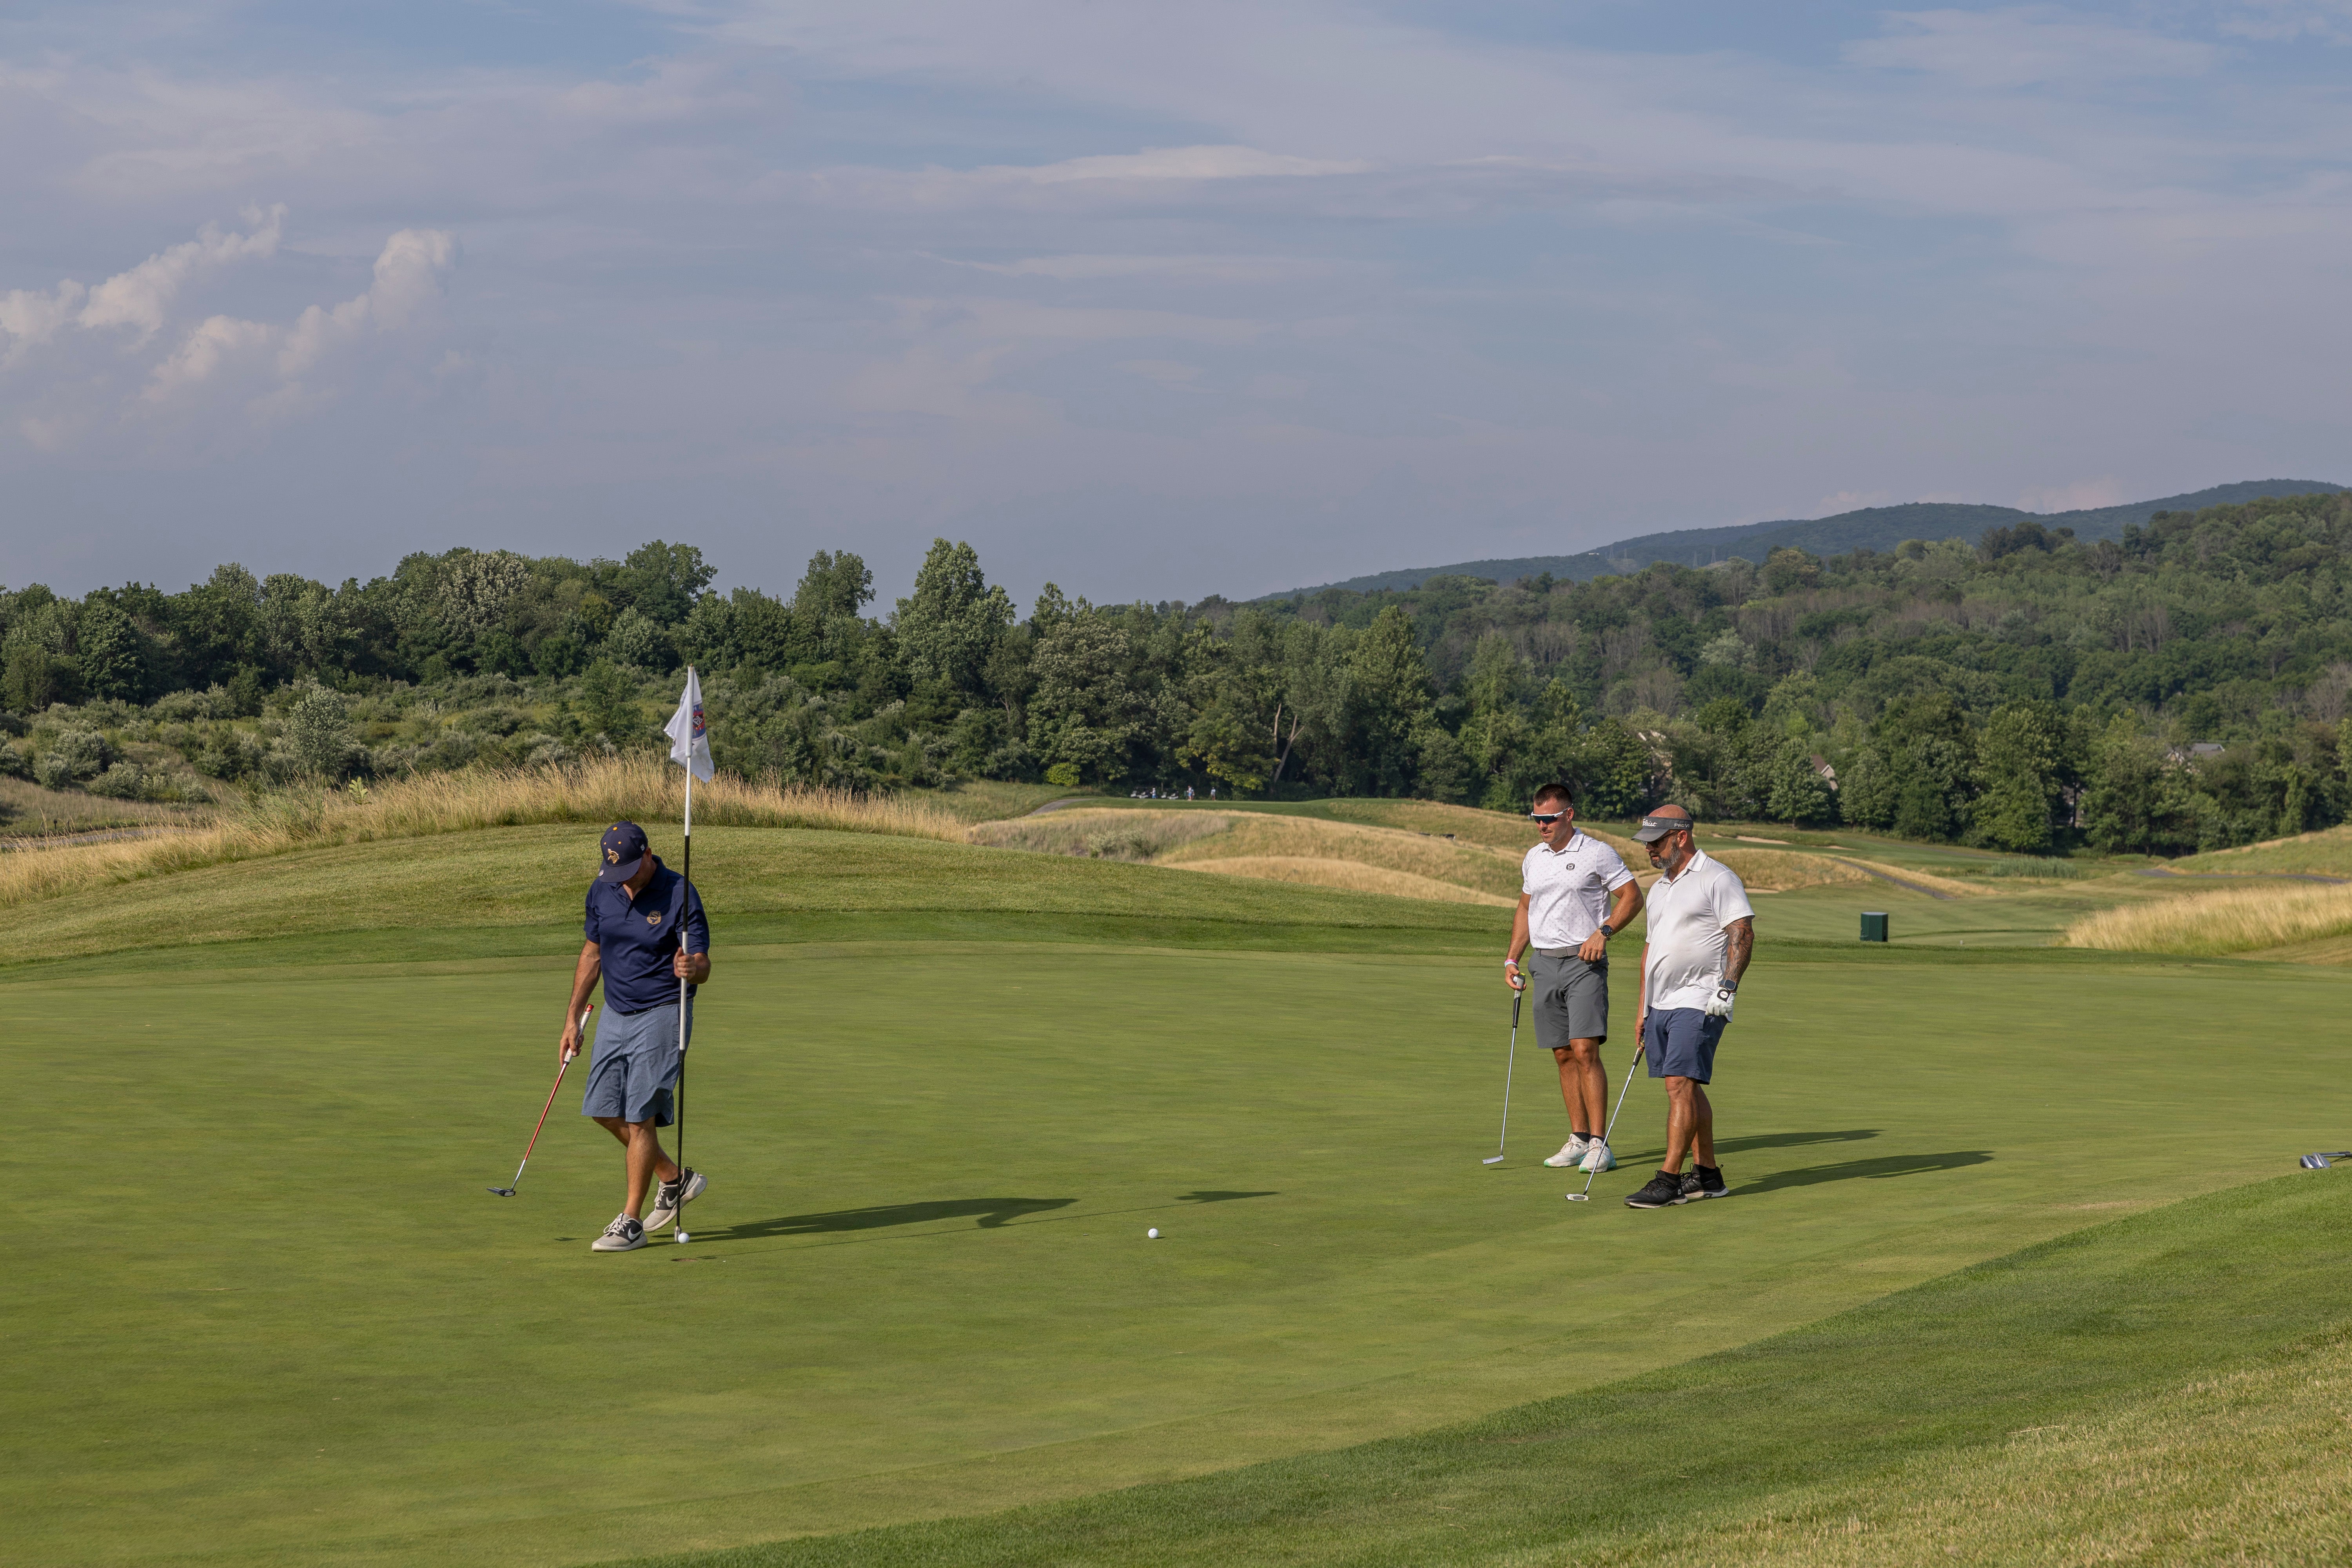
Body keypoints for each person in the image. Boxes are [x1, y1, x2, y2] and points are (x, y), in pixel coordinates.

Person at [560, 821, 712, 1252]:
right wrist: (572, 1018)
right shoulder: (601, 890)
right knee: (603, 1108)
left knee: (638, 1115)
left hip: (665, 1011)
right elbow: (592, 953)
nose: (622, 882)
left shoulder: (679, 891)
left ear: (648, 855)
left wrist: (692, 969)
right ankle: (673, 1177)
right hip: (616, 1012)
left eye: (629, 870)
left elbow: (703, 963)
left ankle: (631, 1222)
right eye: (615, 874)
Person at [1504, 782, 1644, 1174]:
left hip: (1584, 965)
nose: (1542, 825)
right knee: (1563, 1053)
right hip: (1544, 962)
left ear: (1568, 815)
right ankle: (1579, 1139)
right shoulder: (1534, 857)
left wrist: (1604, 932)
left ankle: (1601, 1145)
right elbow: (1525, 907)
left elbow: (1632, 896)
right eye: (1537, 819)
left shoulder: (1597, 853)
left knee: (1585, 1050)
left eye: (1549, 818)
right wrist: (1511, 959)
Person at [1623, 806, 1754, 1208]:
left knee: (1680, 1084)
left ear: (1680, 836)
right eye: (1647, 844)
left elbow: (1742, 932)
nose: (1650, 850)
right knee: (1685, 1087)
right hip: (1661, 1001)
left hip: (1701, 999)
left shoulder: (1717, 877)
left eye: (1656, 842)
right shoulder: (1660, 887)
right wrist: (1643, 1009)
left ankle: (1668, 1179)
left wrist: (1727, 988)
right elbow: (1651, 951)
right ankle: (1709, 1175)